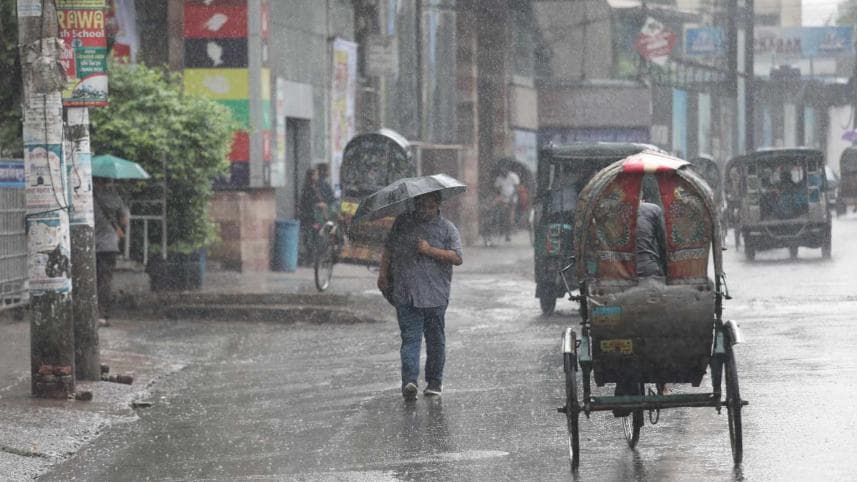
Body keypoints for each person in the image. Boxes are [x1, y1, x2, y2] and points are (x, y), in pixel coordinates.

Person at [377, 191, 463, 401]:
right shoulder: (402, 223)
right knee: (410, 338)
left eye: (429, 206)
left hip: (435, 294)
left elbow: (457, 257)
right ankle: (410, 381)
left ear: (438, 205)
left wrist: (430, 250)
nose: (424, 211)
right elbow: (388, 249)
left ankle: (434, 382)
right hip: (406, 291)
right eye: (421, 206)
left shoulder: (447, 228)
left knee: (435, 340)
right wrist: (382, 273)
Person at [93, 177, 129, 327]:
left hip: (89, 245)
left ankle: (88, 312)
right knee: (105, 281)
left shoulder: (86, 197)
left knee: (89, 280)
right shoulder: (114, 197)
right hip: (109, 245)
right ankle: (102, 315)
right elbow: (125, 220)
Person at [298, 168, 325, 265]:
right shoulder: (308, 188)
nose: (317, 177)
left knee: (315, 237)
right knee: (311, 238)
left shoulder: (314, 187)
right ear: (311, 176)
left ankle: (313, 258)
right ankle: (311, 259)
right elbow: (308, 203)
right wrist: (319, 205)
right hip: (310, 218)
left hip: (315, 217)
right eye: (315, 175)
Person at [493, 167, 520, 241]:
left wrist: (511, 197)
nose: (503, 173)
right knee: (503, 215)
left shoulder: (513, 176)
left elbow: (516, 188)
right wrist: (499, 196)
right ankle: (501, 229)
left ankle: (510, 230)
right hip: (503, 199)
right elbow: (497, 189)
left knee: (510, 216)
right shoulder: (499, 178)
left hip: (512, 199)